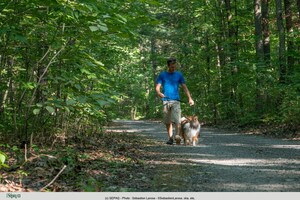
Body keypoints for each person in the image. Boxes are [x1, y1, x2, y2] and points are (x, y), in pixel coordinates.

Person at [155, 57, 194, 145]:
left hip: (176, 100)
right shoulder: (162, 75)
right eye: (172, 67)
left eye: (174, 66)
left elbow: (184, 87)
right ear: (168, 66)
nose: (173, 68)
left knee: (177, 120)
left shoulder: (179, 75)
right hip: (165, 101)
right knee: (167, 121)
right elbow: (157, 87)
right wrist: (159, 93)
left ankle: (177, 136)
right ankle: (170, 138)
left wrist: (190, 98)